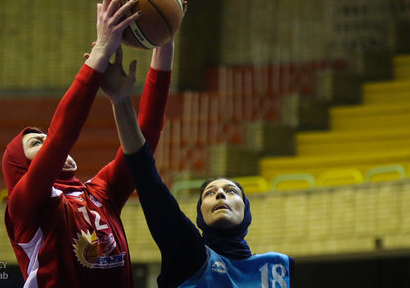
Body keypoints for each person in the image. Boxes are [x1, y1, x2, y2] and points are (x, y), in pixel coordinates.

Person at [1, 0, 178, 287]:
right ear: (21, 167)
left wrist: (165, 37)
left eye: (43, 138)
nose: (45, 142)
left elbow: (145, 137)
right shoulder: (26, 206)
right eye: (34, 144)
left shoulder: (101, 193)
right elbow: (61, 137)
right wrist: (101, 49)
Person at [101, 47, 294, 287]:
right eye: (210, 193)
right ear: (199, 214)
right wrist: (121, 102)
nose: (220, 193)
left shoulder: (276, 268)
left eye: (231, 191)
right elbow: (147, 179)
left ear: (247, 211)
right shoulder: (188, 253)